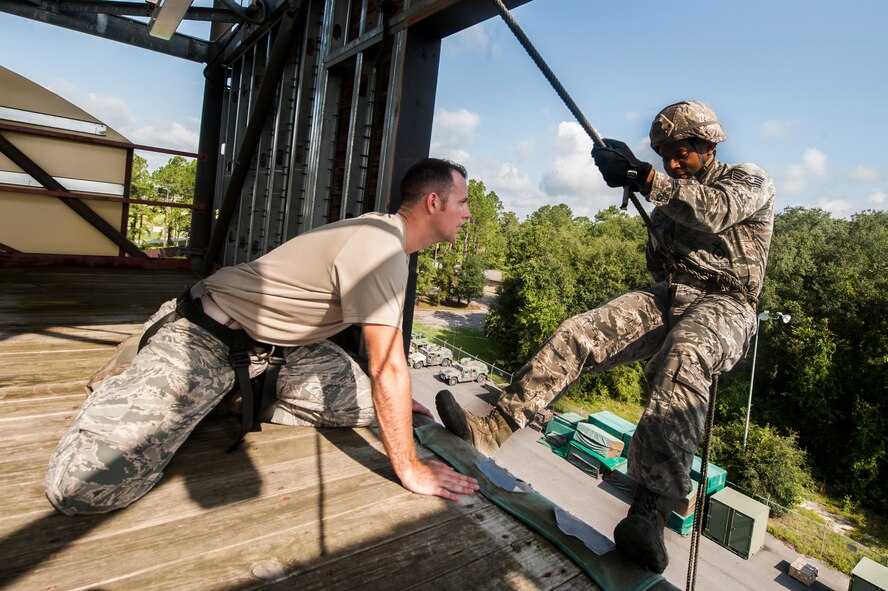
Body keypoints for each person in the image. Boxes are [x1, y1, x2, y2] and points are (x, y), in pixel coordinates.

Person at [435, 101, 775, 573]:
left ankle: (649, 515)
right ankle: (492, 429)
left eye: (681, 153)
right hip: (673, 294)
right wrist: (637, 184)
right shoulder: (667, 203)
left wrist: (646, 178)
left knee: (685, 356)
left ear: (709, 145)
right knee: (581, 332)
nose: (672, 163)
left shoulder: (747, 179)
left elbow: (717, 212)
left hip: (728, 302)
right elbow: (660, 263)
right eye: (663, 155)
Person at [46, 157, 480, 515]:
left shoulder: (385, 235)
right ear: (434, 202)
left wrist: (398, 403)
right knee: (85, 489)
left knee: (374, 408)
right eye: (462, 202)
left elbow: (385, 373)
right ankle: (139, 374)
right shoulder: (383, 251)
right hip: (205, 335)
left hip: (277, 350)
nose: (468, 213)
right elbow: (387, 365)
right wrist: (409, 468)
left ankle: (228, 394)